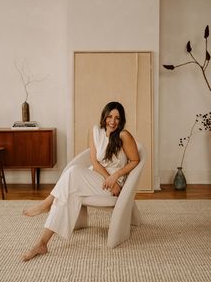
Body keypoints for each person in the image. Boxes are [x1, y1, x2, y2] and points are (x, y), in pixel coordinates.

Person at [22, 101, 140, 261]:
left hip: (114, 187)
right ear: (104, 116)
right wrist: (108, 178)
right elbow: (94, 161)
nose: (113, 121)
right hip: (99, 179)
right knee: (66, 195)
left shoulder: (123, 135)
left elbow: (135, 160)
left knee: (72, 172)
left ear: (122, 120)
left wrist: (115, 177)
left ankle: (47, 202)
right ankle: (42, 243)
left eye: (117, 118)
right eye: (110, 116)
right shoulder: (95, 131)